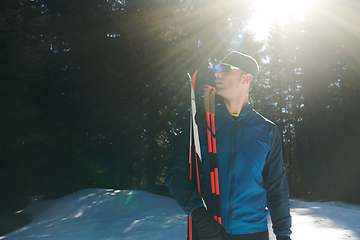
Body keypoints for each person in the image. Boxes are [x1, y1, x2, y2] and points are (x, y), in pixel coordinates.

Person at [165, 51, 292, 240]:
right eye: (216, 70)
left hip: (253, 233)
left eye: (224, 69)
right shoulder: (200, 122)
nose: (217, 74)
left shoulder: (267, 130)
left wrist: (283, 234)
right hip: (209, 232)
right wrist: (200, 215)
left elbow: (276, 188)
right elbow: (174, 174)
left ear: (246, 78)